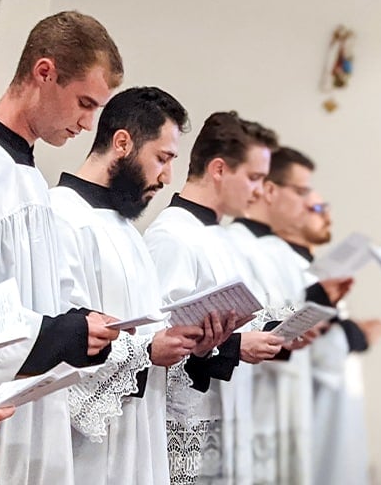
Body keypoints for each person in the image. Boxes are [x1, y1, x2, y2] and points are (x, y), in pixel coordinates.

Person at [0, 11, 123, 484]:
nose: (88, 124)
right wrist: (59, 336)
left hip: (29, 419)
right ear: (44, 73)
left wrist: (84, 324)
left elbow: (47, 298)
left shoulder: (28, 178)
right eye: (84, 103)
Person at [51, 86, 236, 484]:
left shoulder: (126, 230)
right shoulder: (62, 216)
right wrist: (149, 350)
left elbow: (144, 330)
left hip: (136, 436)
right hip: (81, 451)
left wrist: (191, 344)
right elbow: (58, 343)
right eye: (162, 158)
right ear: (123, 143)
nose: (167, 177)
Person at [144, 110, 286, 485]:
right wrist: (235, 346)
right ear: (219, 169)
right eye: (254, 178)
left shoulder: (219, 237)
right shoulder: (172, 237)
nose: (259, 191)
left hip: (220, 420)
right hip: (178, 430)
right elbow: (149, 350)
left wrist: (275, 332)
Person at [228, 146, 352, 485]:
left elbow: (283, 314)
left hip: (284, 393)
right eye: (300, 192)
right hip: (249, 396)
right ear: (269, 189)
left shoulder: (280, 253)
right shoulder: (235, 244)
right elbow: (241, 322)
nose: (306, 201)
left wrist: (317, 308)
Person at [277, 188, 381, 484]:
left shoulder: (317, 272)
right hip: (310, 407)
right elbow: (316, 350)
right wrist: (356, 335)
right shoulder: (289, 273)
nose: (328, 216)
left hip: (339, 403)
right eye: (318, 209)